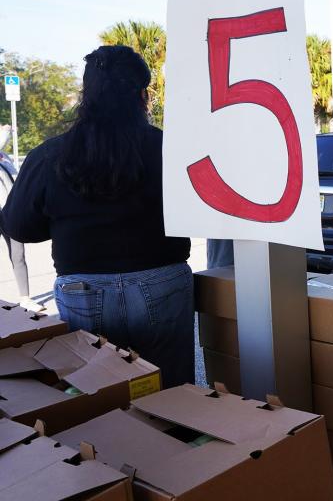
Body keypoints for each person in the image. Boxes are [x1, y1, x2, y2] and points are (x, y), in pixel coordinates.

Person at [0, 46, 193, 385]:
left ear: (85, 95)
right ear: (142, 95)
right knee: (173, 391)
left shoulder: (50, 155)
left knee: (100, 397)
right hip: (163, 282)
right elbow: (201, 210)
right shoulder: (170, 147)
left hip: (83, 288)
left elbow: (20, 226)